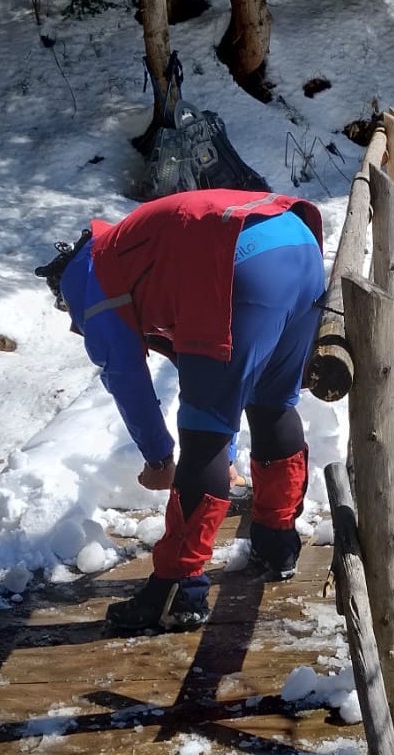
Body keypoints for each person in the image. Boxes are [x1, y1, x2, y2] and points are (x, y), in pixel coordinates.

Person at [35, 189, 325, 633]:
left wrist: (159, 459)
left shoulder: (93, 282)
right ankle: (277, 542)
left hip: (236, 264)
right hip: (298, 246)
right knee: (272, 404)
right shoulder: (134, 250)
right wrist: (221, 459)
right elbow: (199, 362)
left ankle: (177, 592)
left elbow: (127, 378)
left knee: (203, 434)